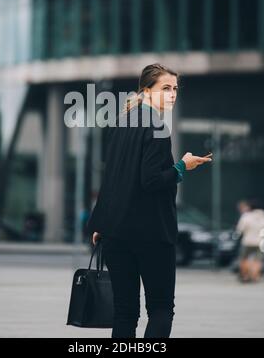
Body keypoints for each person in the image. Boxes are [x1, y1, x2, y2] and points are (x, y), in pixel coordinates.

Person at [86, 63, 212, 338]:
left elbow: (113, 178)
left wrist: (101, 222)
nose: (172, 94)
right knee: (161, 308)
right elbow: (151, 181)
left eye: (175, 89)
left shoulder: (123, 123)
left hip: (115, 233)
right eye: (165, 88)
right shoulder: (157, 127)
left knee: (124, 312)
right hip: (152, 233)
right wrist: (182, 167)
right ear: (146, 91)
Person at [236, 199, 264, 283]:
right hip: (261, 241)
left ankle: (245, 276)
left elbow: (240, 229)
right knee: (258, 260)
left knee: (244, 259)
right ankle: (255, 276)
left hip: (248, 241)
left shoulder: (246, 216)